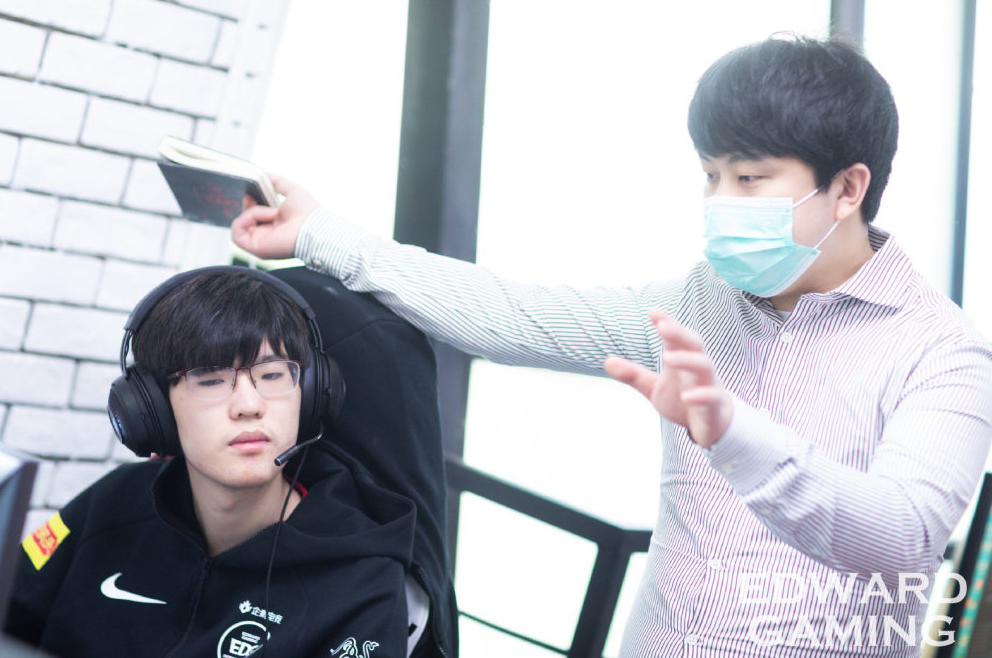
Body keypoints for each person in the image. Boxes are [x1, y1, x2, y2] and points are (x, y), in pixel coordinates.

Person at [229, 34, 992, 656]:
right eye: (711, 175)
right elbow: (511, 316)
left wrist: (735, 435)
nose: (720, 203)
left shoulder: (942, 353)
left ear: (848, 189)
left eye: (750, 179)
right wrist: (319, 233)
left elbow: (902, 536)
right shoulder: (699, 302)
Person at [5, 267, 448, 658]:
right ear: (153, 411)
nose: (249, 405)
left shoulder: (360, 582)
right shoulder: (111, 504)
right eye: (212, 380)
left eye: (272, 375)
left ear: (311, 396)